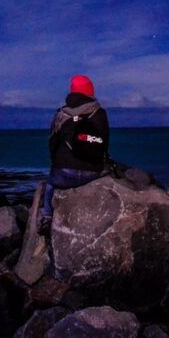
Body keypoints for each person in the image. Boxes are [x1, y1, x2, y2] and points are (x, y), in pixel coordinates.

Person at [37, 74, 110, 235]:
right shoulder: (99, 113)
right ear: (90, 91)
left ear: (72, 92)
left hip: (64, 174)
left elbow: (52, 144)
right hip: (92, 173)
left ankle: (47, 216)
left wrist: (58, 164)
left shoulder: (61, 114)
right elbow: (104, 144)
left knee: (49, 185)